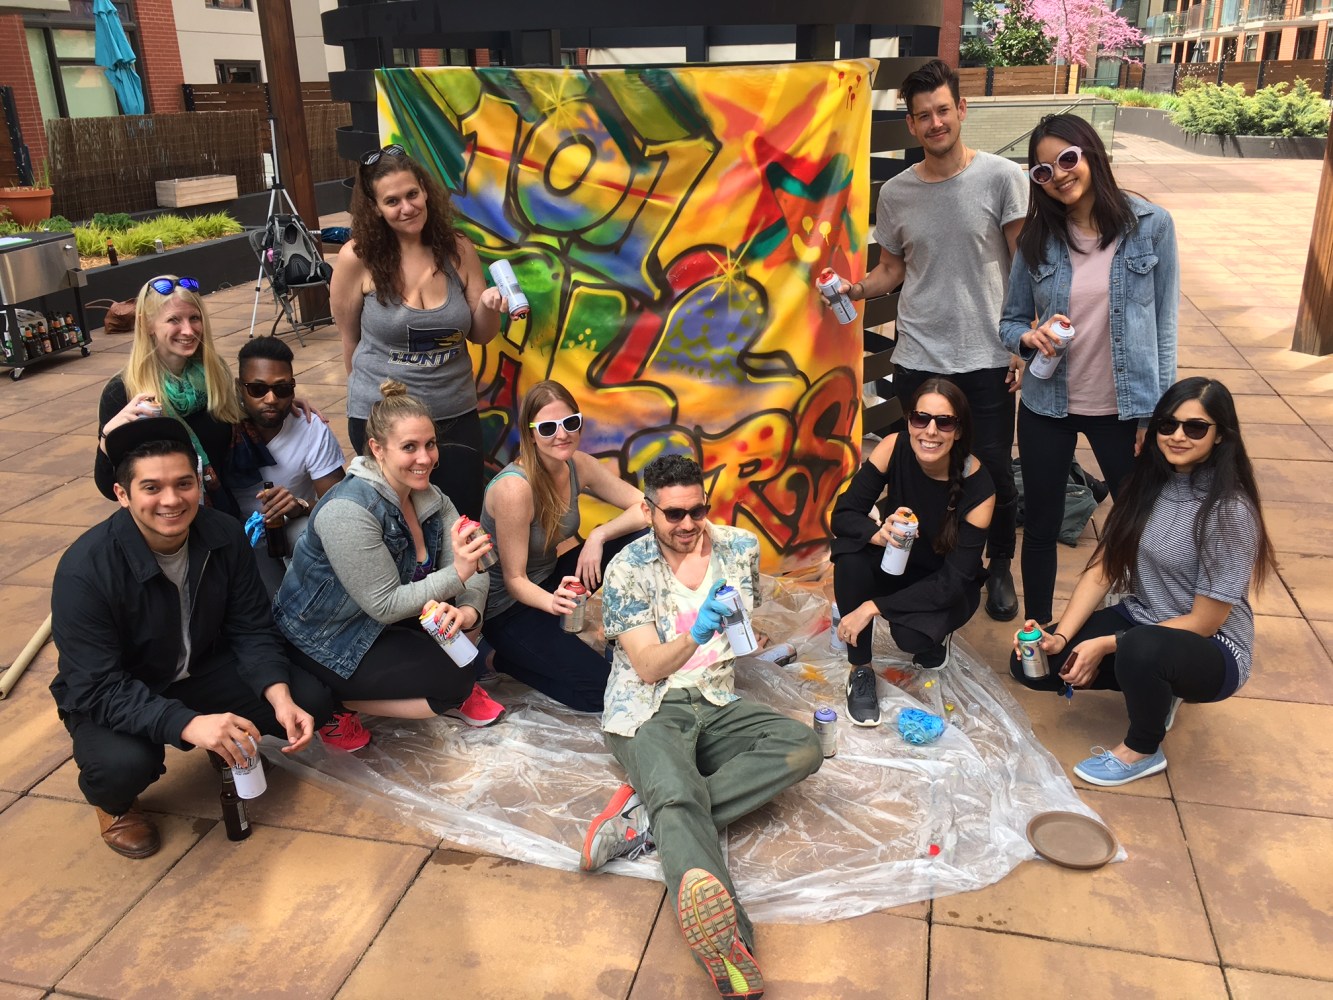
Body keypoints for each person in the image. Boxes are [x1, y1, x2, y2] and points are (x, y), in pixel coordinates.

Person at [580, 455, 823, 1000]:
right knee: (678, 792)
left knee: (802, 746)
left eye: (697, 511)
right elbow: (646, 667)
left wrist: (735, 637)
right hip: (647, 706)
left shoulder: (738, 547)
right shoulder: (628, 567)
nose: (688, 525)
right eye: (673, 515)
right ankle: (732, 950)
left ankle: (645, 820)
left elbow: (742, 624)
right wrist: (698, 631)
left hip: (715, 696)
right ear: (648, 510)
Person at [51, 418, 335, 859]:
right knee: (121, 767)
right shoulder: (84, 571)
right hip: (120, 689)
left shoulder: (221, 533)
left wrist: (277, 694)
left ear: (199, 483)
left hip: (198, 667)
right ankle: (115, 806)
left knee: (307, 699)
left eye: (184, 483)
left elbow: (250, 627)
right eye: (151, 488)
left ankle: (220, 733)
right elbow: (96, 685)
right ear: (122, 494)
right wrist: (189, 724)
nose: (171, 500)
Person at [1010, 378, 1273, 786]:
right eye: (1167, 425)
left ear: (1221, 435)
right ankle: (1156, 682)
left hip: (1214, 648)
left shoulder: (1229, 511)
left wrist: (1109, 644)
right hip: (1143, 620)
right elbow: (1102, 569)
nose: (1178, 436)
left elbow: (1205, 622)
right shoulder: (1147, 483)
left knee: (1139, 649)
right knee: (1035, 666)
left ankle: (1143, 749)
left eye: (1195, 427)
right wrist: (1060, 638)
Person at [838, 58, 1026, 623]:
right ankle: (924, 559)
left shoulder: (1001, 177)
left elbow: (1025, 264)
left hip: (987, 354)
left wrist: (1021, 343)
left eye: (944, 110)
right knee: (919, 464)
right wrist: (856, 287)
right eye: (924, 116)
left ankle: (997, 566)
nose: (936, 122)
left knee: (991, 467)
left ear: (961, 110)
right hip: (918, 354)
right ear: (912, 125)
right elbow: (892, 270)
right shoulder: (896, 193)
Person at [999, 113, 1179, 629]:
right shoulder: (1037, 239)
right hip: (1046, 405)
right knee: (1041, 524)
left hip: (1124, 408)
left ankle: (1147, 630)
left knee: (1140, 523)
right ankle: (1036, 633)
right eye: (1042, 170)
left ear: (1091, 153)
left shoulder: (1151, 226)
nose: (1057, 174)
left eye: (1067, 159)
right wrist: (1026, 339)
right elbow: (1010, 322)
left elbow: (1165, 328)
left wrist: (1158, 416)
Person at [273, 380, 504, 735]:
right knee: (452, 682)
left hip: (384, 622)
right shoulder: (347, 511)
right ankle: (336, 705)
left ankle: (416, 677)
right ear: (377, 449)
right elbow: (385, 604)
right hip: (327, 635)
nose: (425, 458)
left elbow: (475, 562)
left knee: (463, 645)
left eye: (430, 444)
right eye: (409, 447)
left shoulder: (432, 496)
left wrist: (468, 612)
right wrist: (458, 574)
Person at [331, 144, 510, 519]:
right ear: (375, 207)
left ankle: (460, 582)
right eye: (392, 200)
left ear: (426, 191)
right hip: (386, 421)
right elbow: (350, 340)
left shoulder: (458, 249)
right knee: (397, 521)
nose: (407, 207)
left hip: (454, 412)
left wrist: (491, 307)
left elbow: (480, 334)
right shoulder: (356, 258)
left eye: (412, 194)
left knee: (461, 520)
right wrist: (366, 408)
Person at [831, 378, 996, 726]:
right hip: (898, 563)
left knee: (911, 638)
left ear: (958, 430)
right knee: (850, 558)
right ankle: (860, 671)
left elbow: (952, 583)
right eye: (920, 419)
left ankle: (938, 636)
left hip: (946, 583)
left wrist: (872, 607)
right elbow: (843, 515)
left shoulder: (980, 487)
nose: (930, 431)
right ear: (908, 421)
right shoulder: (893, 447)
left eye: (944, 422)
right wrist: (878, 535)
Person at [479, 380, 645, 711]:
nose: (562, 434)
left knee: (641, 539)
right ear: (530, 434)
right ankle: (496, 659)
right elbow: (514, 581)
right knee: (602, 692)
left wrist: (598, 536)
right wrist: (555, 603)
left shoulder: (578, 465)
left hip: (553, 580)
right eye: (548, 427)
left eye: (570, 423)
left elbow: (645, 507)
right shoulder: (515, 489)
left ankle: (638, 636)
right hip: (508, 608)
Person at [94, 276, 243, 516]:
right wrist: (107, 438)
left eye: (194, 318)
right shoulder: (123, 392)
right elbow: (109, 487)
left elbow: (246, 424)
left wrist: (289, 405)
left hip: (221, 513)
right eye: (174, 319)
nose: (188, 330)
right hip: (164, 519)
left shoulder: (215, 373)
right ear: (146, 325)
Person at [230, 336, 346, 594]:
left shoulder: (310, 429)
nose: (271, 399)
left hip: (288, 528)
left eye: (282, 389)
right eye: (258, 389)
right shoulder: (222, 425)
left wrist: (298, 506)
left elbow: (342, 505)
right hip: (232, 533)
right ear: (239, 387)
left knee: (320, 536)